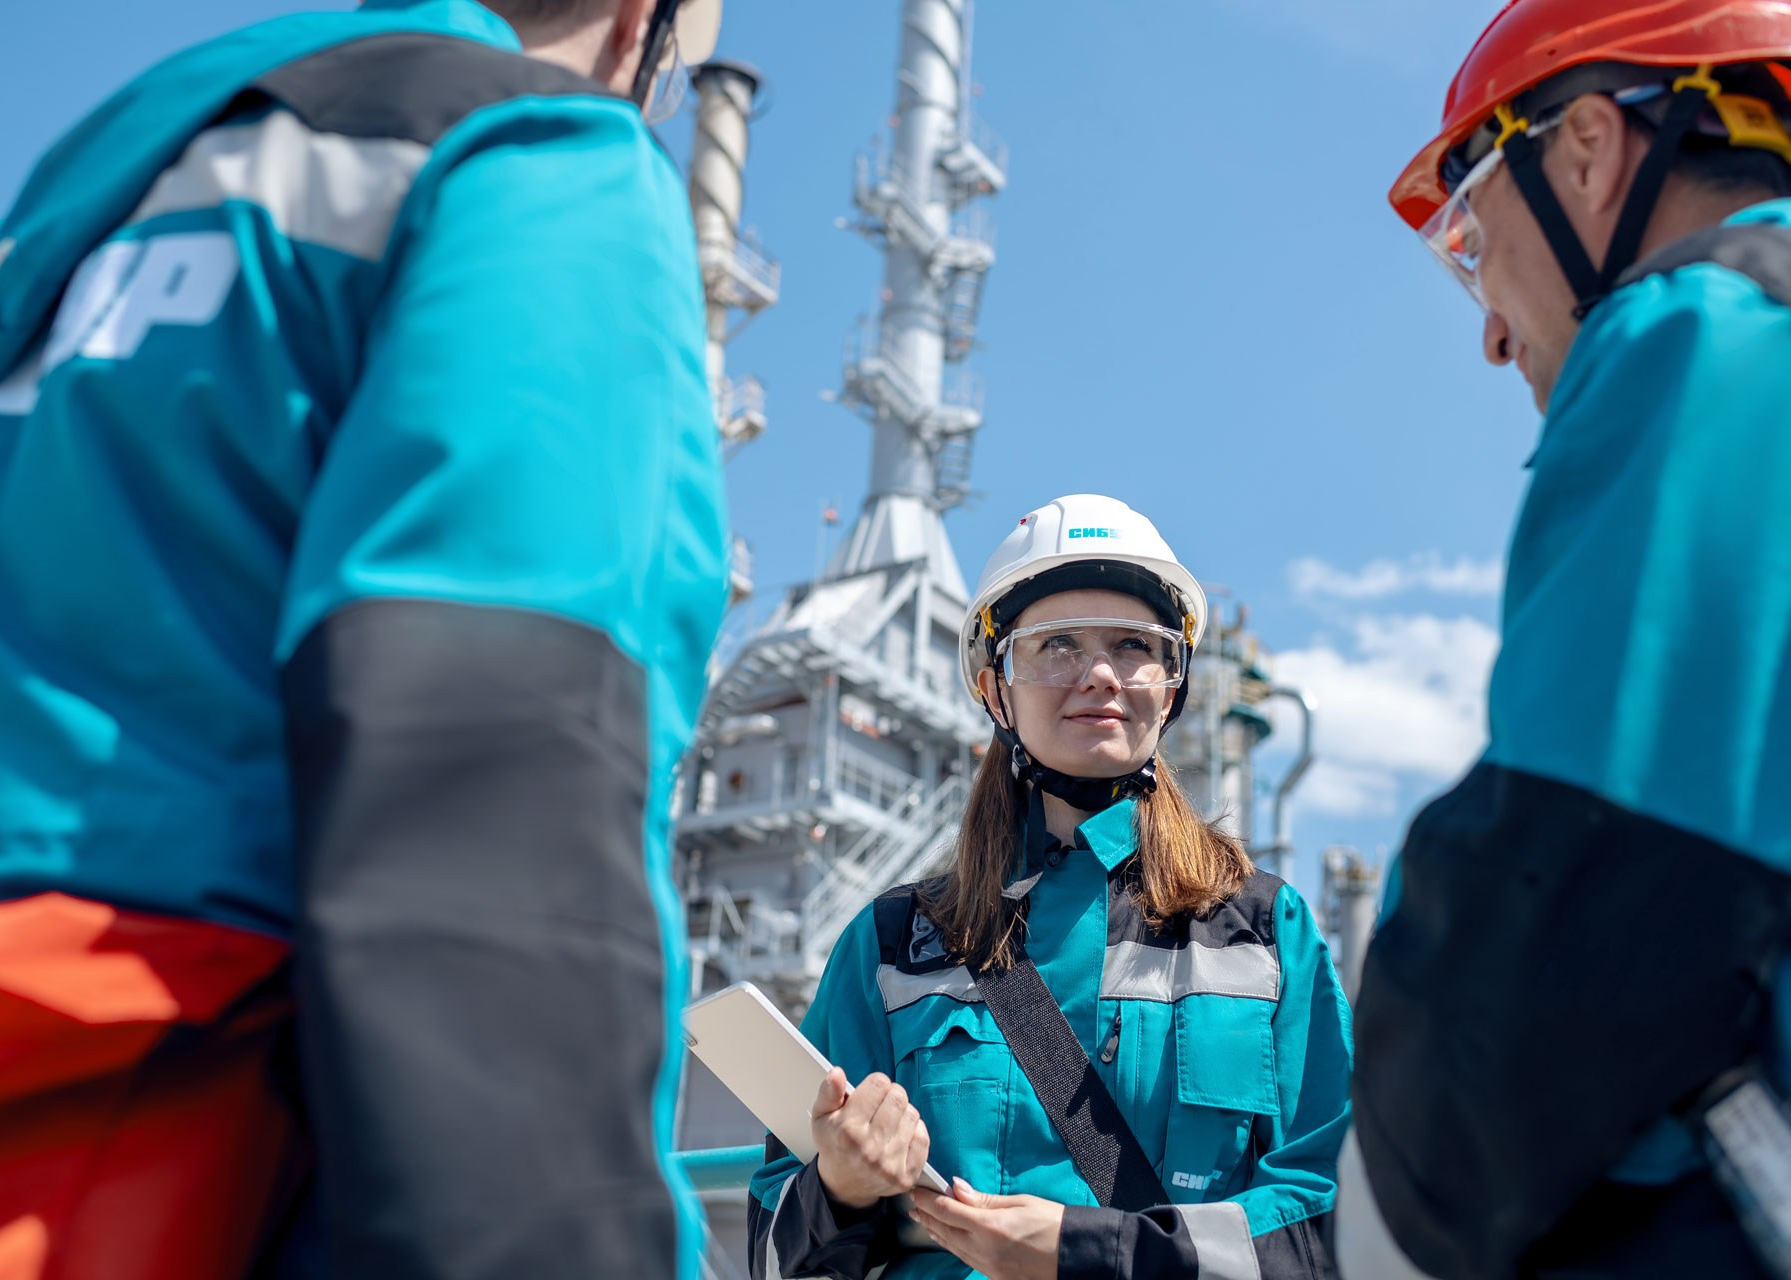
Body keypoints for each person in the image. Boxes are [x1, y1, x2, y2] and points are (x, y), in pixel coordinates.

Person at [0, 1, 728, 1276]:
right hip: (195, 1151)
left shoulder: (101, 192)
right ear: (641, 23)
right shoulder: (536, 163)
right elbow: (488, 789)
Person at [1342, 2, 1791, 1276]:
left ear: (1590, 149)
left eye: (1471, 237)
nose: (1488, 331)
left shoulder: (1709, 330)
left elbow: (1573, 900)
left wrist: (1401, 1197)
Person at [748, 494, 1353, 1280]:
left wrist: (1090, 1253)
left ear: (1171, 685)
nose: (1099, 674)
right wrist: (839, 1187)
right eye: (1055, 644)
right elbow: (767, 1254)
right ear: (994, 686)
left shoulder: (1265, 931)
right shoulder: (893, 944)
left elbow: (1333, 1217)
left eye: (1135, 645)